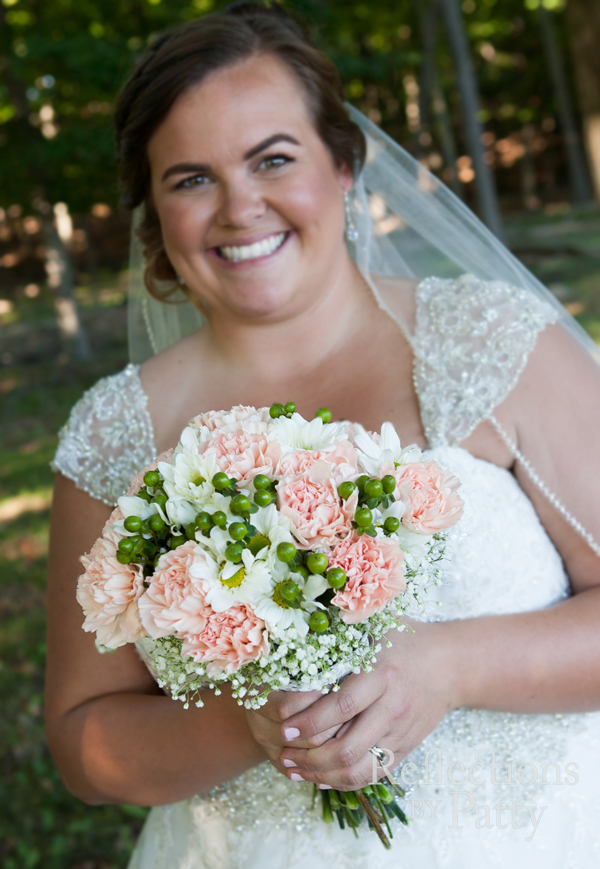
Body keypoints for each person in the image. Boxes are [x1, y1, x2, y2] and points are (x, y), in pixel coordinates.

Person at [45, 4, 600, 867]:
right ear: (152, 213)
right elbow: (85, 742)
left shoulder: (495, 347)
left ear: (343, 167)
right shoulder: (116, 437)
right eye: (190, 179)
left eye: (273, 159)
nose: (240, 207)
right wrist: (251, 719)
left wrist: (447, 666)